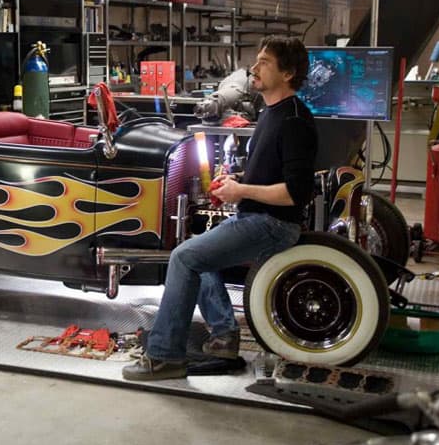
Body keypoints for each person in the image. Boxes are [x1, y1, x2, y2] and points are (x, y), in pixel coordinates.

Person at [123, 36, 317, 381]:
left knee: (184, 258)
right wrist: (235, 180)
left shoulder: (296, 120)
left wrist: (241, 189)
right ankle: (224, 336)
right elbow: (271, 172)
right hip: (257, 216)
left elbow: (295, 193)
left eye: (264, 63)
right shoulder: (272, 113)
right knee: (196, 252)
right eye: (256, 61)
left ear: (287, 73)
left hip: (273, 223)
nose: (253, 69)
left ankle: (164, 356)